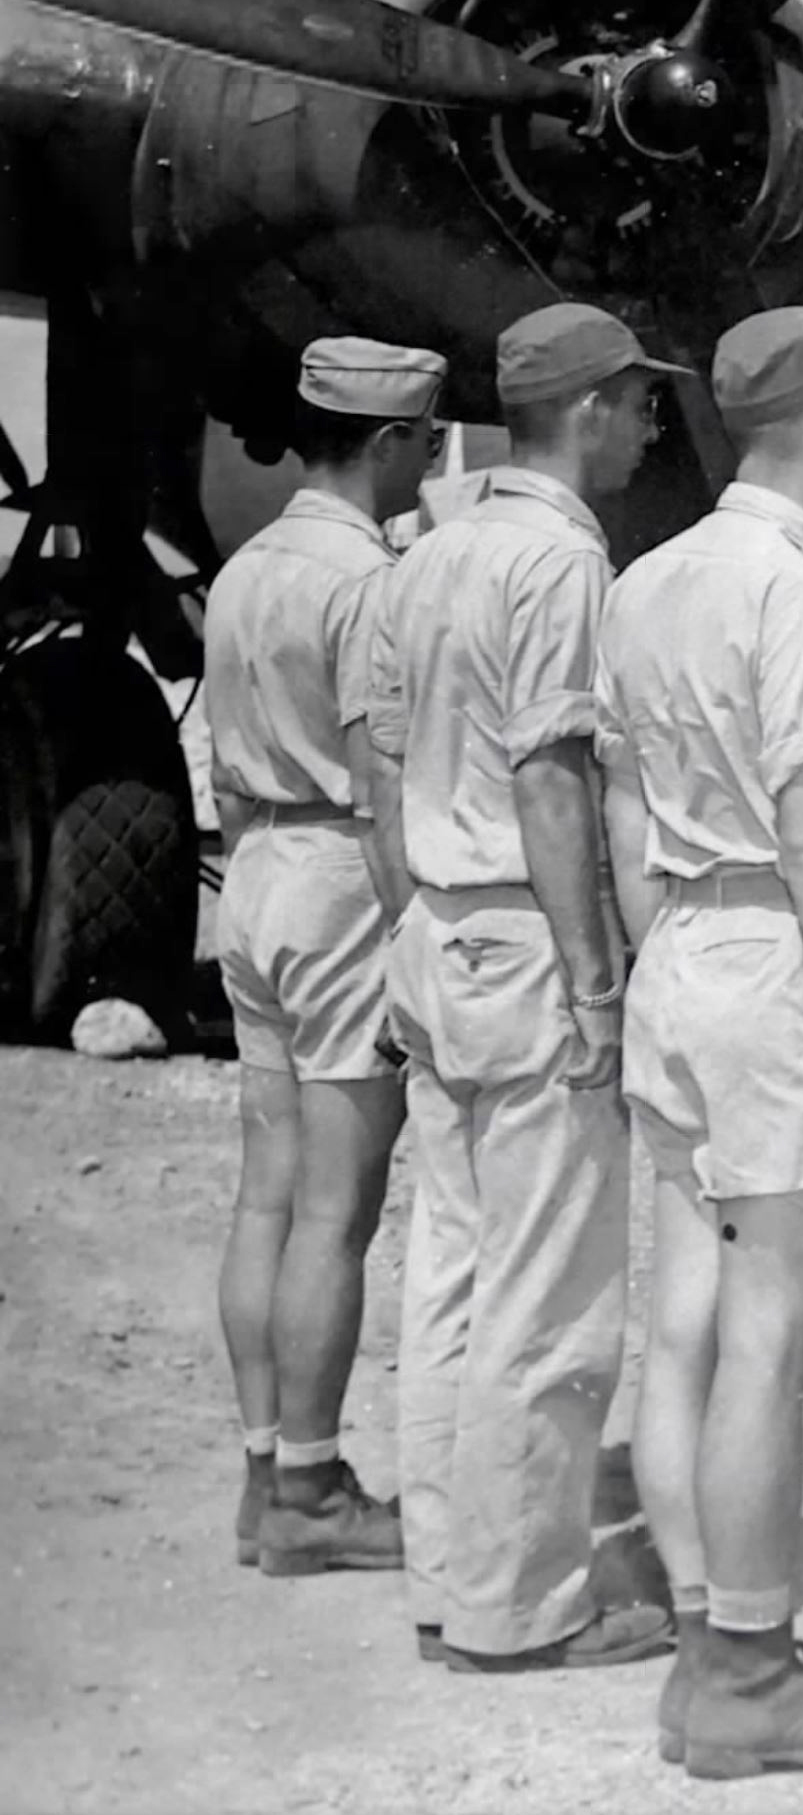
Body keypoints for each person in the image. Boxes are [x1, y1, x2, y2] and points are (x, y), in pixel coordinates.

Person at [599, 307, 803, 1778]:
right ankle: (747, 1675)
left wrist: (651, 961)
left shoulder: (652, 577)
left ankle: (704, 1639)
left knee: (683, 1323)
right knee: (770, 1339)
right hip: (775, 959)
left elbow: (620, 799)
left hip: (679, 942)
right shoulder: (797, 587)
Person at [371, 301, 685, 1671]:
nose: (650, 429)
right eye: (640, 405)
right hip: (522, 934)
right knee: (549, 1293)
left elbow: (383, 770)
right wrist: (595, 981)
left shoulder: (430, 551)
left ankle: (447, 1575)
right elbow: (553, 777)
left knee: (448, 1269)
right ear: (594, 407)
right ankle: (524, 1607)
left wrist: (414, 931)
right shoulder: (560, 563)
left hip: (436, 929)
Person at [206, 336, 443, 1577]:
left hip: (251, 875)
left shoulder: (249, 566)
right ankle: (312, 1484)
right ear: (393, 442)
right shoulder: (367, 582)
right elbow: (383, 788)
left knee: (267, 1192)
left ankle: (262, 1466)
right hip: (340, 877)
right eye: (428, 436)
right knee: (337, 1213)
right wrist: (415, 936)